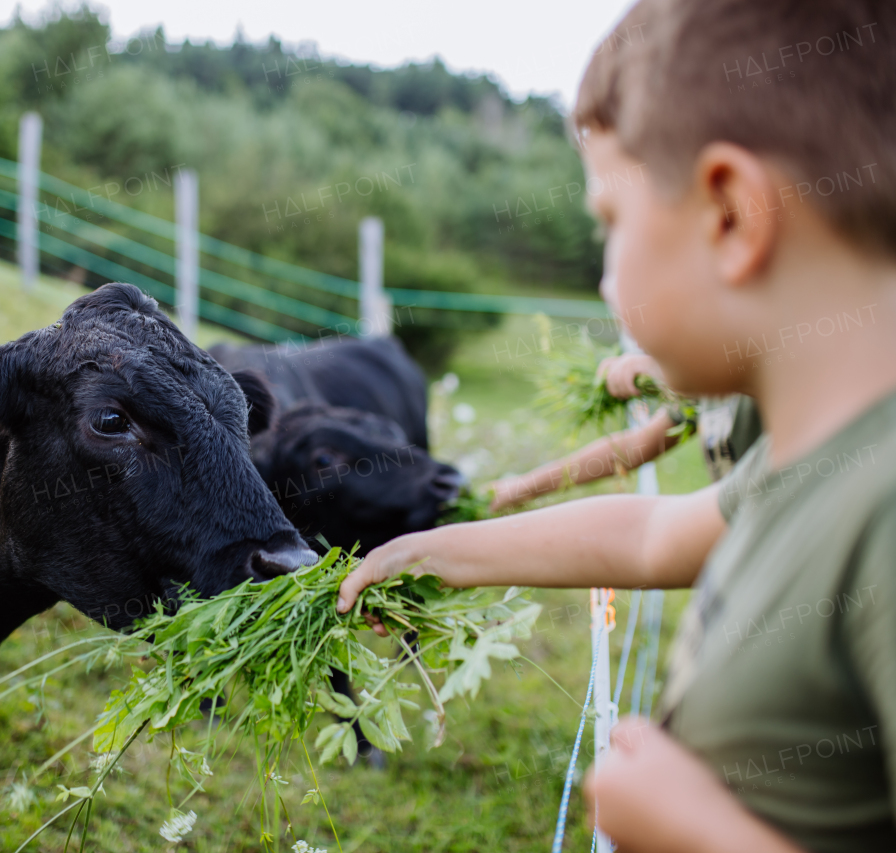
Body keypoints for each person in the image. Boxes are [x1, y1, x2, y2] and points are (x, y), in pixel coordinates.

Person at [338, 1, 896, 850]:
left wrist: (695, 829)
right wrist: (439, 552)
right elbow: (653, 534)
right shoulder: (806, 463)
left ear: (731, 215)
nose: (605, 281)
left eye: (610, 221)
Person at [488, 352, 763, 511]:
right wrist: (521, 488)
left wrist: (675, 370)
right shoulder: (708, 376)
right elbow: (634, 449)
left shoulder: (778, 355)